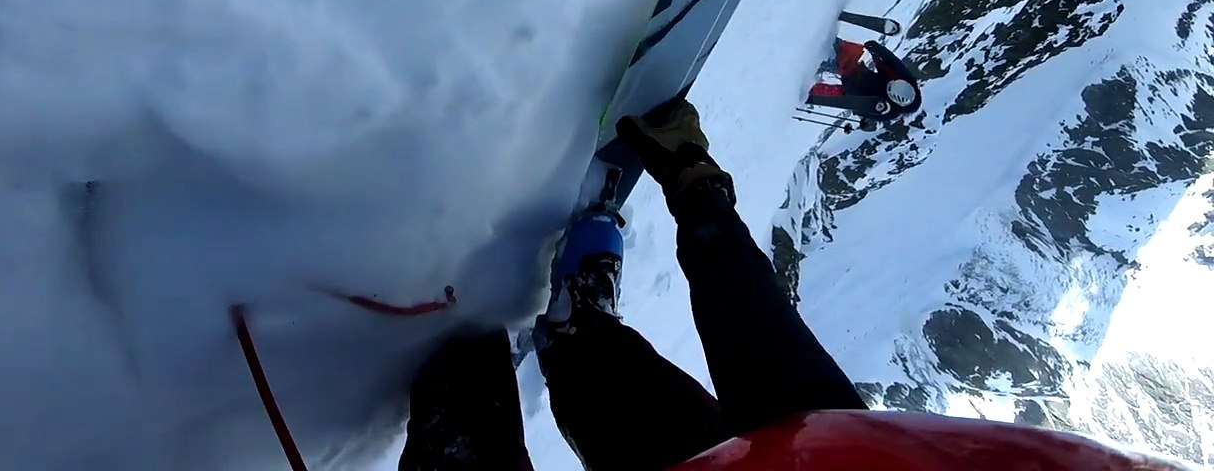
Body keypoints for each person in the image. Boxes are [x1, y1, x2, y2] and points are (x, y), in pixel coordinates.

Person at [397, 102, 1185, 471]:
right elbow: (784, 382)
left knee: (512, 386)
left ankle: (557, 338)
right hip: (838, 457)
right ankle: (562, 336)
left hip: (842, 455)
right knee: (588, 378)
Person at [810, 38, 921, 122]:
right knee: (844, 54)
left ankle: (803, 84)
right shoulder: (905, 79)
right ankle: (822, 40)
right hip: (862, 75)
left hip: (854, 94)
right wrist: (877, 50)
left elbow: (861, 110)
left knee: (820, 92)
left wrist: (857, 108)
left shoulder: (887, 111)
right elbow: (892, 63)